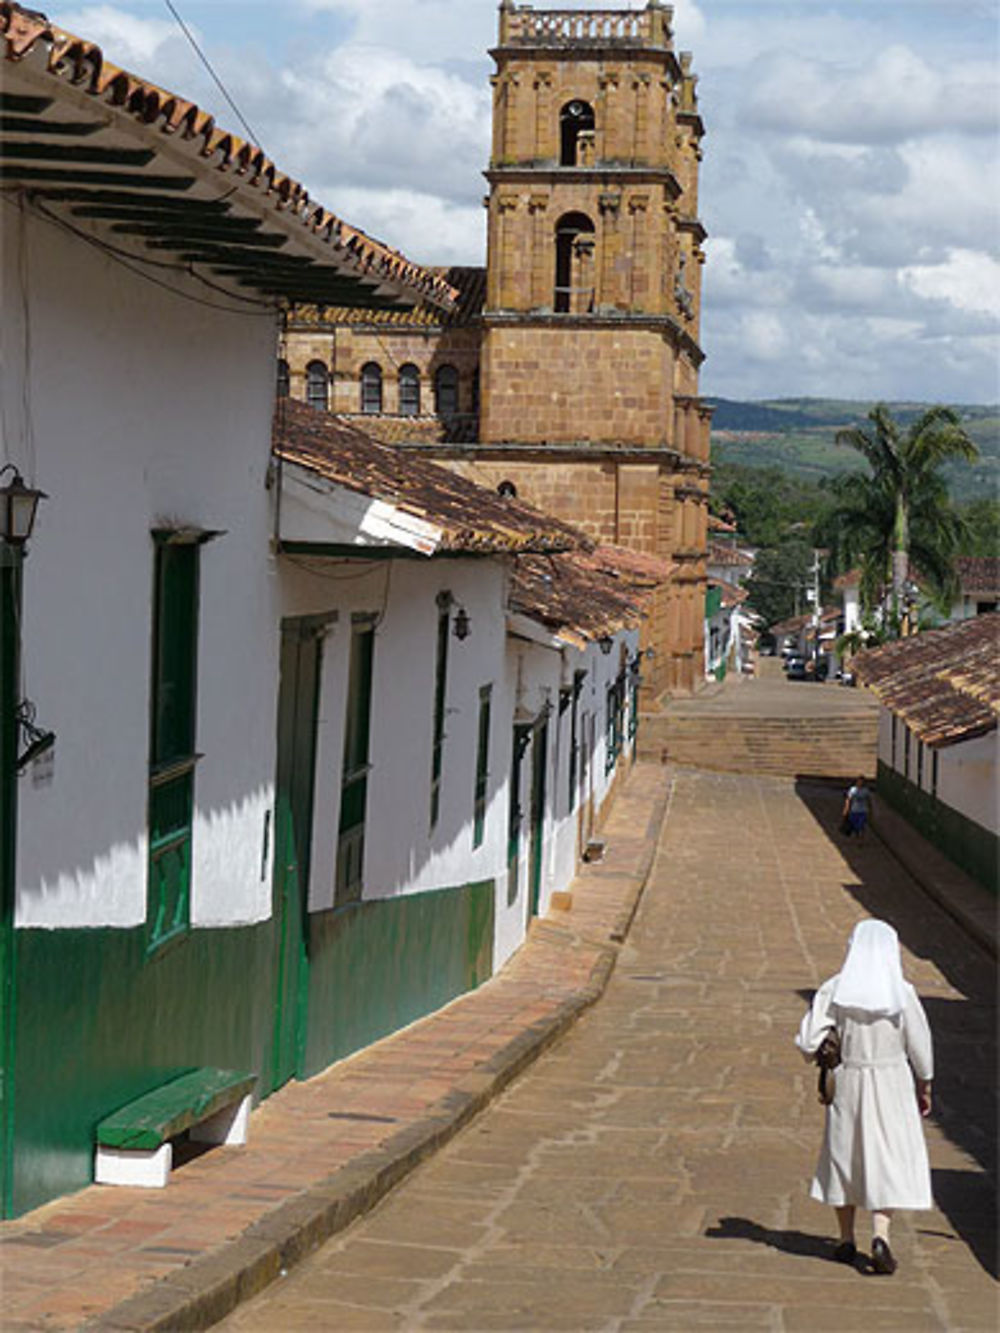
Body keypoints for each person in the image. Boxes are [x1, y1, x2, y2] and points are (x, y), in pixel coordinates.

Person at [795, 919, 934, 1275]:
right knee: (885, 1155)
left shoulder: (836, 989)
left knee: (845, 1154)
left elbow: (808, 1041)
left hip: (849, 1081)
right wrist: (925, 1083)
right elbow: (919, 1046)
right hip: (891, 1082)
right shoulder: (901, 993)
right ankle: (881, 1234)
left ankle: (845, 1239)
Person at [842, 775, 871, 840]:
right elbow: (848, 800)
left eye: (862, 782)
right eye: (859, 782)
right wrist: (846, 808)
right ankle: (857, 836)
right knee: (855, 827)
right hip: (854, 811)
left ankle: (861, 838)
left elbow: (868, 800)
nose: (860, 783)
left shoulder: (866, 791)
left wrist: (870, 810)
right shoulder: (853, 790)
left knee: (861, 826)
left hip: (863, 811)